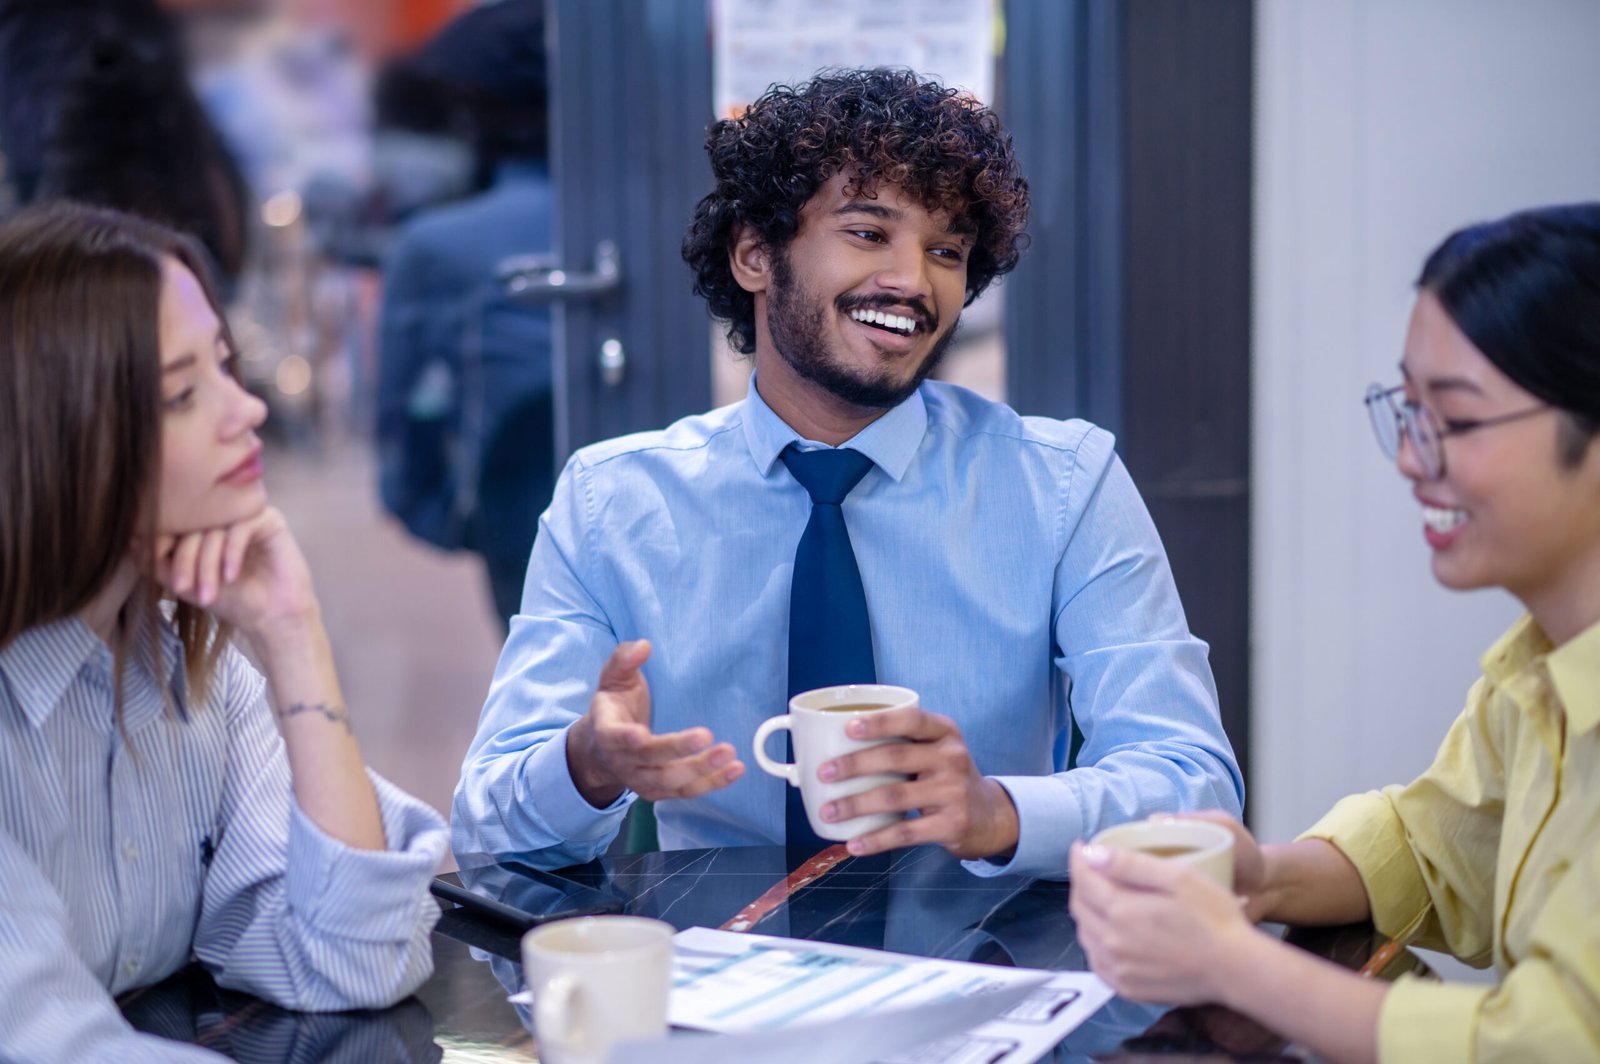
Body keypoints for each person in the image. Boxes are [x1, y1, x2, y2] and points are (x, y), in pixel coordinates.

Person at [452, 68, 1243, 877]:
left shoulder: (1065, 484)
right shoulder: (613, 501)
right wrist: (585, 765)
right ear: (757, 255)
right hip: (732, 967)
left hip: (992, 965)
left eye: (946, 251)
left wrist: (997, 812)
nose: (912, 281)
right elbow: (486, 825)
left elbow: (1195, 785)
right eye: (869, 233)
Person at [1069, 203, 1600, 1063]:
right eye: (1409, 409)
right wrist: (1261, 875)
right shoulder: (1540, 668)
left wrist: (1236, 964)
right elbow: (1434, 849)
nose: (1410, 459)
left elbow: (1550, 1043)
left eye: (1456, 422)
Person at [0, 201, 447, 1061]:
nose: (245, 409)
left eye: (224, 366)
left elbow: (356, 957)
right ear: (57, 431)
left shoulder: (184, 669)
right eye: (180, 393)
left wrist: (292, 632)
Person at [376, 0, 556, 631]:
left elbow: (400, 415)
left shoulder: (434, 245)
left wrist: (446, 517)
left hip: (518, 514)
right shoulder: (672, 219)